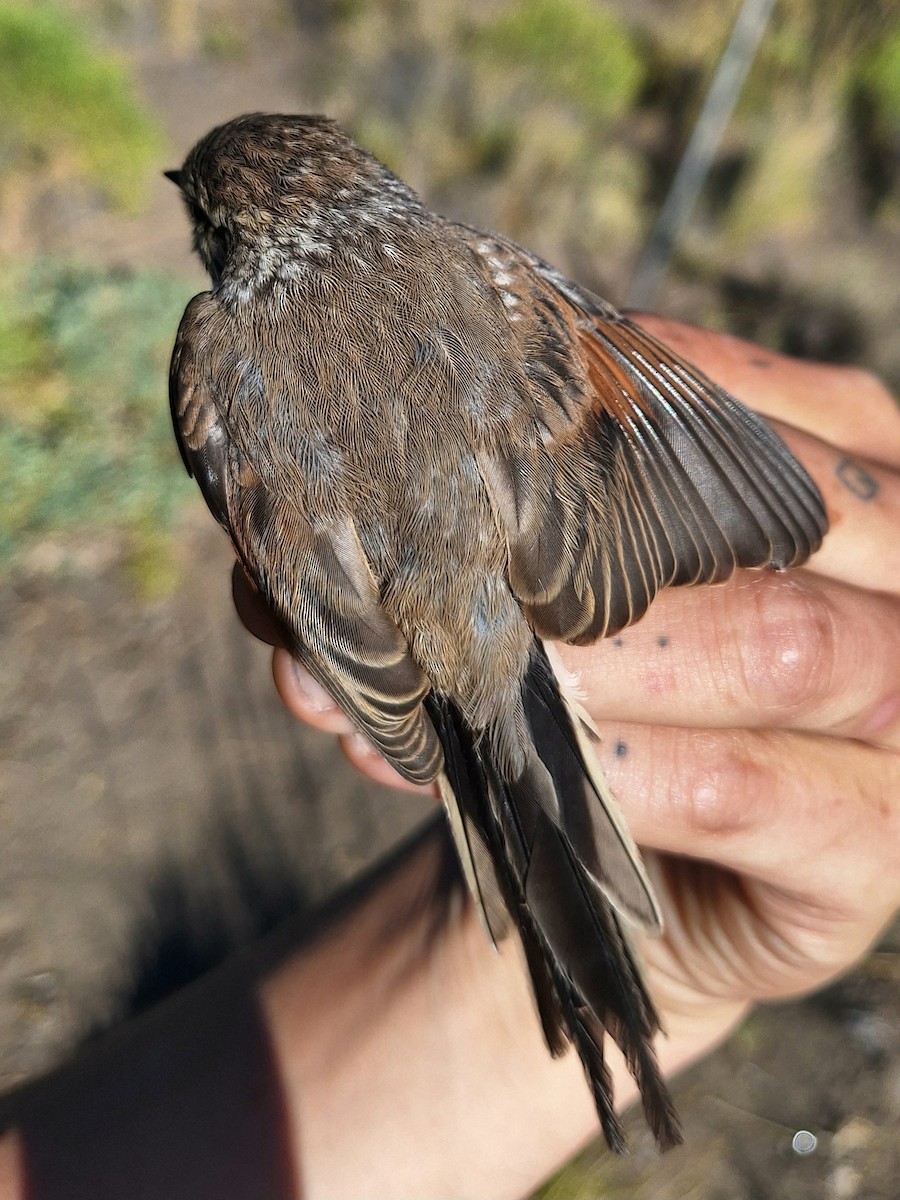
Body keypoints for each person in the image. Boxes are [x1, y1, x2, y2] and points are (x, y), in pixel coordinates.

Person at [0, 318, 897, 1200]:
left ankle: (588, 977)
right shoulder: (487, 287)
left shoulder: (227, 352)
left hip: (464, 641)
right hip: (506, 622)